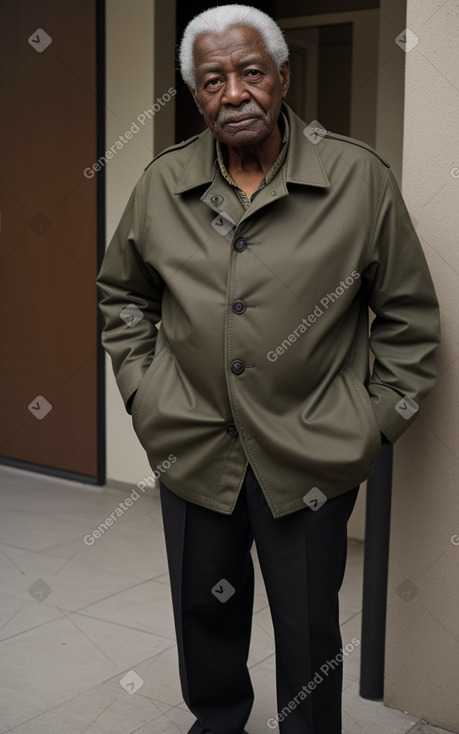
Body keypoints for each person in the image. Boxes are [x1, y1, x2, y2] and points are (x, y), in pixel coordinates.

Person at [97, 5, 440, 733]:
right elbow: (122, 298)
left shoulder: (357, 178)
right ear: (196, 97)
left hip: (310, 453)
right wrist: (145, 394)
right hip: (192, 445)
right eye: (213, 79)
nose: (234, 92)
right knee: (204, 608)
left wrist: (368, 427)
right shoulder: (161, 186)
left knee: (306, 624)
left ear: (283, 78)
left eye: (250, 72)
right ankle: (217, 720)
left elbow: (409, 322)